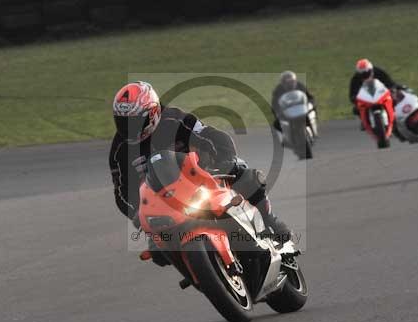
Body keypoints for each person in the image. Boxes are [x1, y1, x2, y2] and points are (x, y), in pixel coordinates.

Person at [110, 81, 292, 266]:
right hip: (165, 203)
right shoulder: (119, 151)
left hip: (202, 177)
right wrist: (137, 214)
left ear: (153, 112)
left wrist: (225, 161)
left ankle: (269, 220)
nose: (129, 128)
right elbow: (122, 192)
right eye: (122, 122)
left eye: (134, 122)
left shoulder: (175, 119)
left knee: (245, 175)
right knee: (159, 252)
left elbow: (213, 135)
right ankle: (198, 271)